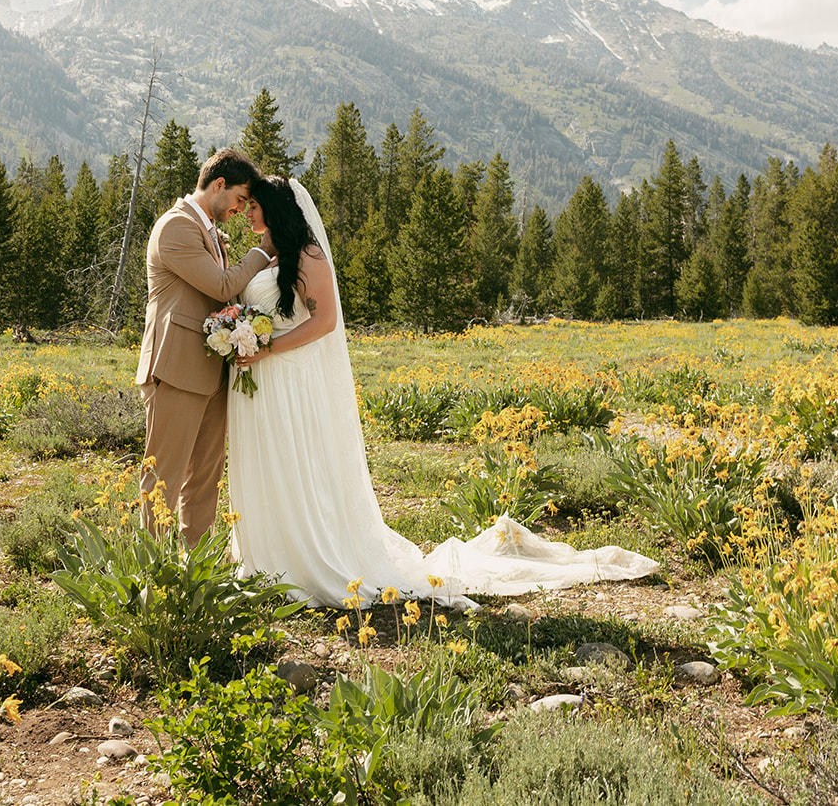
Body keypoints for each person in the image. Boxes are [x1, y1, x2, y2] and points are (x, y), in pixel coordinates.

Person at [227, 176, 658, 607]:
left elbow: (323, 323)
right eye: (244, 206)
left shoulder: (307, 255)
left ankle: (306, 562)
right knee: (269, 461)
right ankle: (266, 561)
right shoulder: (267, 257)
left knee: (296, 464)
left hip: (290, 380)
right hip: (260, 385)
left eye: (253, 206)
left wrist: (267, 348)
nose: (246, 212)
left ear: (276, 209)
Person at [135, 148, 274, 546]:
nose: (240, 209)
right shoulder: (175, 226)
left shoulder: (210, 230)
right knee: (164, 476)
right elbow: (220, 285)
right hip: (176, 368)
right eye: (240, 199)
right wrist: (264, 250)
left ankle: (194, 570)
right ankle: (153, 575)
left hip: (212, 371)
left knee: (206, 479)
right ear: (218, 185)